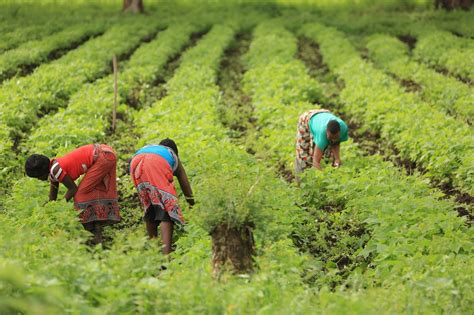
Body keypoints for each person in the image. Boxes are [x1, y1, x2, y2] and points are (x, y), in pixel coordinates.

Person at [25, 144, 121, 244]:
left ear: (42, 172)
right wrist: (45, 210)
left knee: (80, 195)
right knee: (92, 188)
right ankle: (96, 222)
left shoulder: (55, 170)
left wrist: (61, 205)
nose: (39, 179)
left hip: (103, 156)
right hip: (104, 152)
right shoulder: (54, 168)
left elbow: (73, 189)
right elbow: (52, 197)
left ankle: (91, 229)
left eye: (38, 177)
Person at [129, 138, 194, 254]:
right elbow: (185, 185)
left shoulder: (150, 148)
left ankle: (154, 250)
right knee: (167, 212)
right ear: (175, 151)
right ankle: (166, 255)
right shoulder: (173, 155)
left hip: (135, 162)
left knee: (150, 207)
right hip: (155, 162)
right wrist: (193, 205)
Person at [295, 109, 349, 173]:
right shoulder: (321, 134)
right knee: (304, 154)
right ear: (326, 131)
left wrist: (337, 159)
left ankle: (329, 171)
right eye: (331, 137)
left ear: (340, 132)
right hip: (307, 118)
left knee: (328, 156)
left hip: (324, 114)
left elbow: (336, 143)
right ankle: (300, 177)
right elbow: (316, 161)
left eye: (336, 137)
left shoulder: (344, 129)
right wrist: (322, 176)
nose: (333, 140)